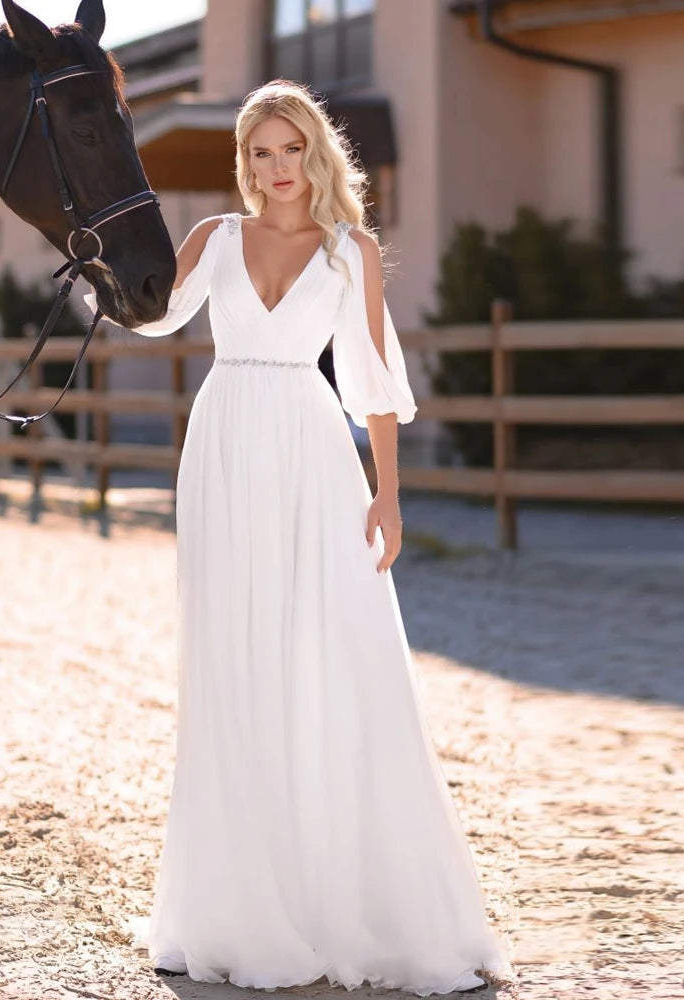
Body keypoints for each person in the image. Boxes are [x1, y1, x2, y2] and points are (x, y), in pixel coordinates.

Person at [84, 79, 513, 996]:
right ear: (244, 164)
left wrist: (387, 498)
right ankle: (237, 899)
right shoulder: (214, 239)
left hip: (315, 452)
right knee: (232, 658)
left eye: (288, 150)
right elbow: (157, 312)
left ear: (313, 153)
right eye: (258, 154)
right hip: (225, 442)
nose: (275, 169)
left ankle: (342, 893)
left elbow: (372, 378)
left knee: (329, 651)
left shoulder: (352, 252)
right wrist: (96, 275)